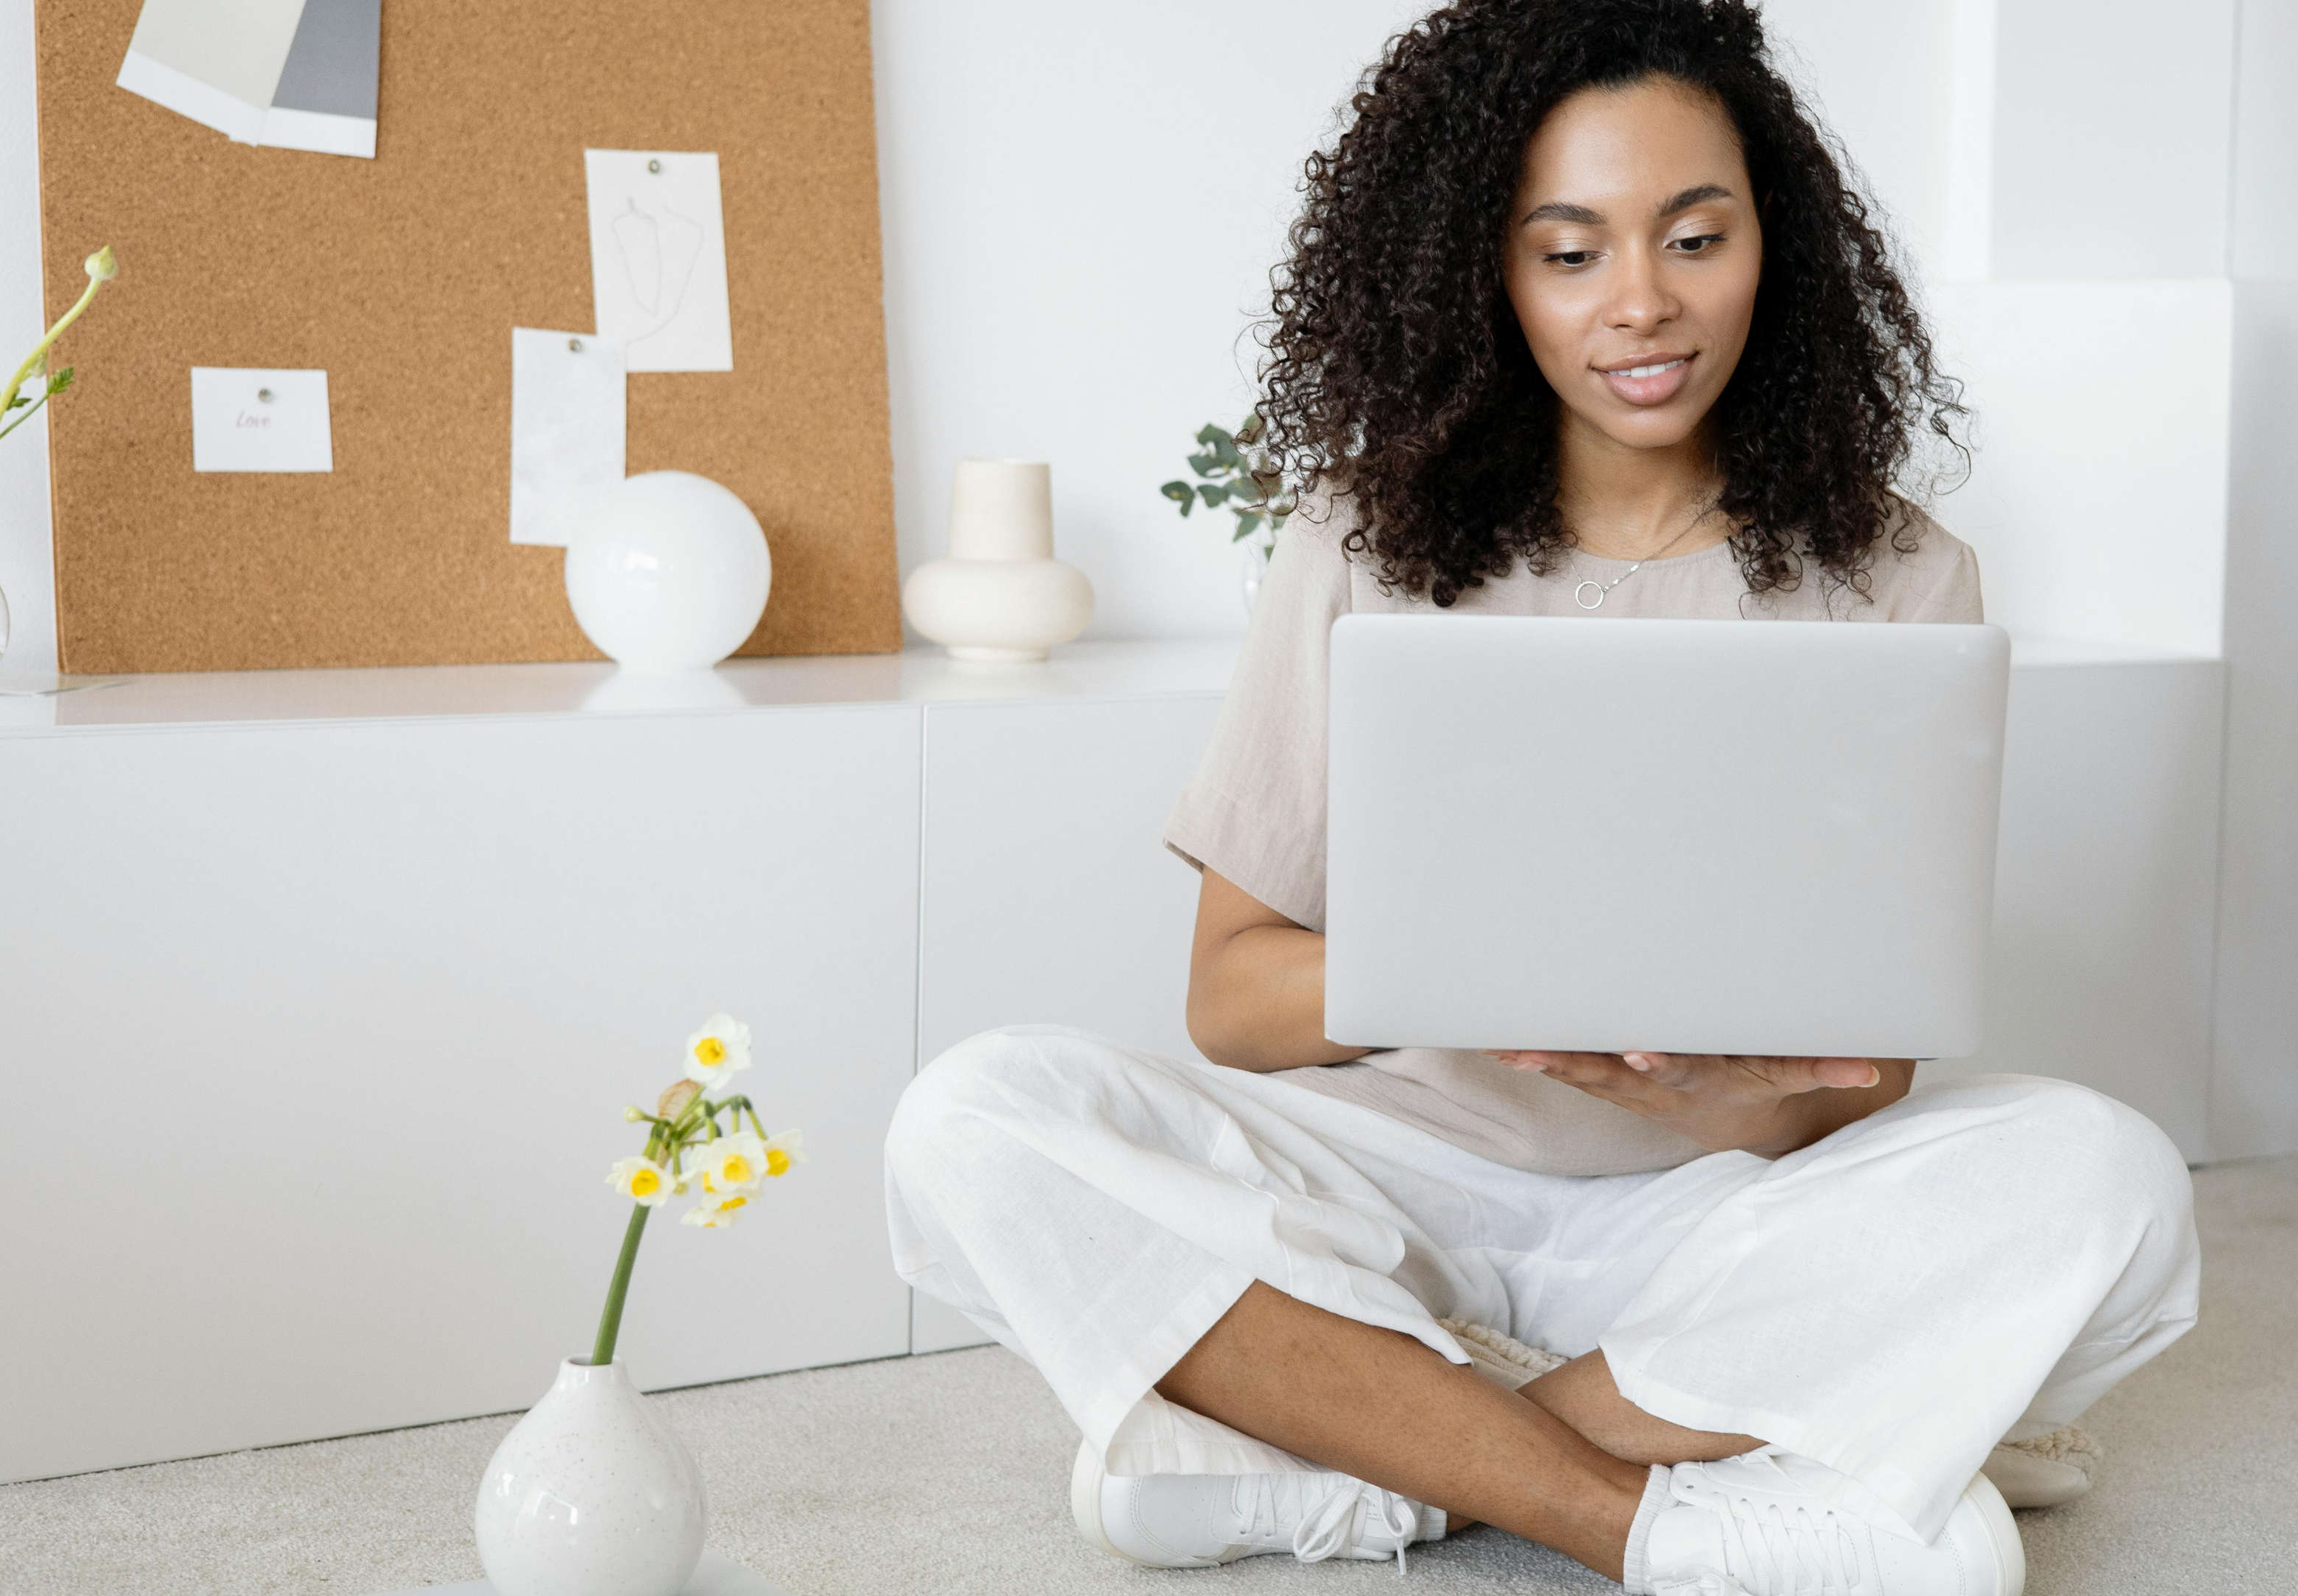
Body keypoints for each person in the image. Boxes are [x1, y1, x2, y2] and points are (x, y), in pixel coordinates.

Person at [884, 2, 2199, 1591]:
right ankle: (1636, 1510)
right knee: (973, 1119)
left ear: (1772, 242)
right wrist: (1477, 977)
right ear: (1482, 275)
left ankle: (1379, 1454)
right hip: (1378, 1203)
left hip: (1702, 1222)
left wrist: (1711, 1091)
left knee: (2107, 1180)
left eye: (1694, 237)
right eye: (1568, 253)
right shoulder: (1361, 542)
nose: (1640, 305)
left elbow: (1867, 1078)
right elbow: (1228, 1003)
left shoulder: (1904, 573)